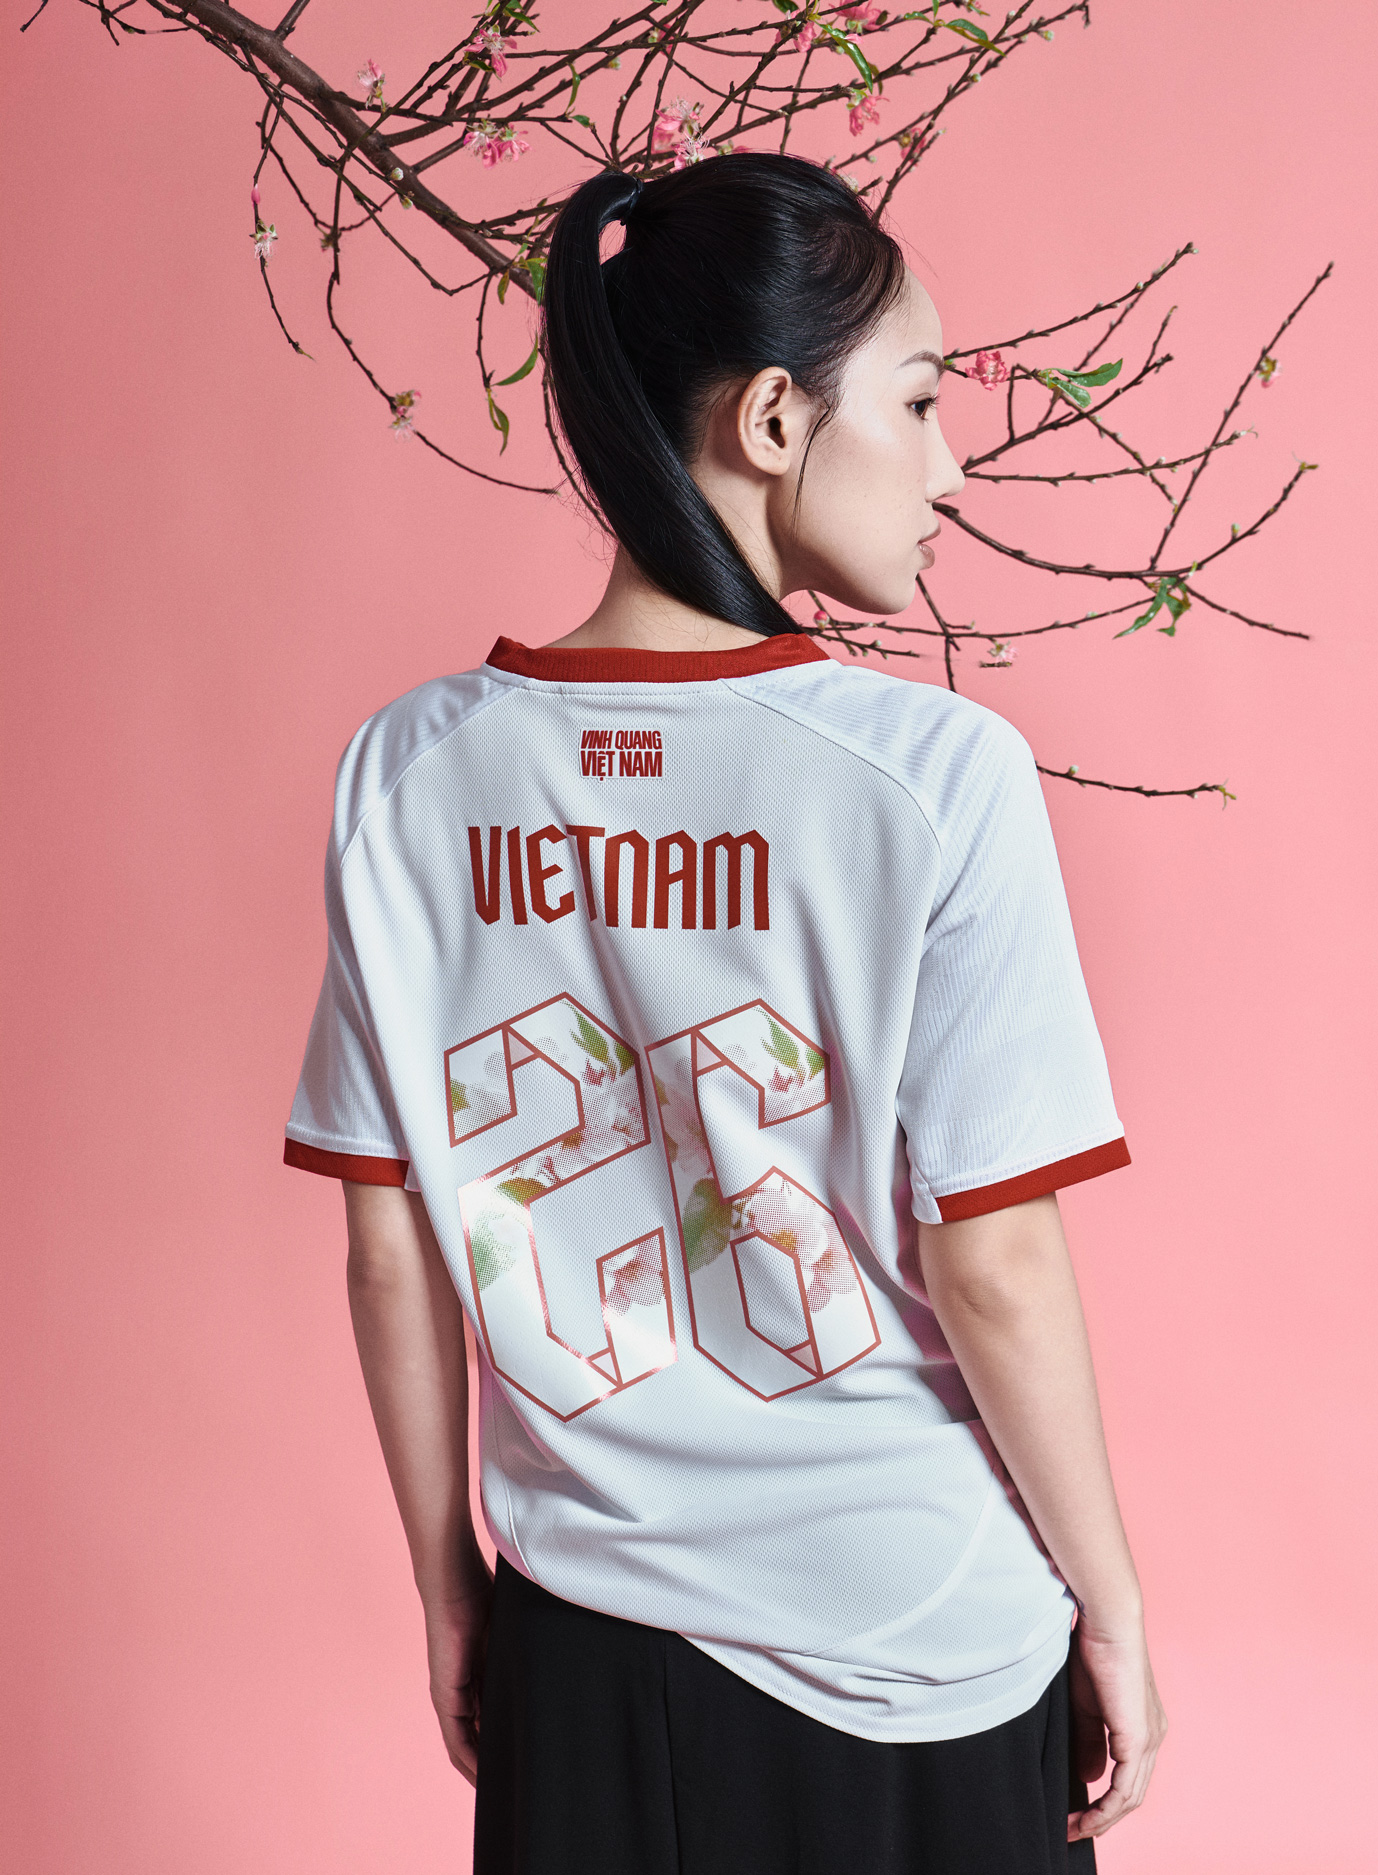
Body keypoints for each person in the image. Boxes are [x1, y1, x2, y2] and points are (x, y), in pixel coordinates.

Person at [284, 153, 1166, 1875]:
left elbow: (391, 1247)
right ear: (772, 419)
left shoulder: (404, 774)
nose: (950, 468)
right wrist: (1113, 1601)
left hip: (582, 1640)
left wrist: (451, 1586)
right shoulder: (931, 775)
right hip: (914, 1639)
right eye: (920, 403)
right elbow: (994, 1260)